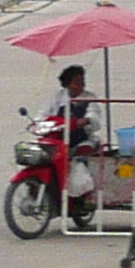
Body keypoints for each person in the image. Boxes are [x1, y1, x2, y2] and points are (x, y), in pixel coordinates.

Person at [53, 63, 104, 229]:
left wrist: (87, 120)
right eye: (76, 81)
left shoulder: (89, 98)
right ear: (67, 84)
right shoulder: (58, 98)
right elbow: (43, 114)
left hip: (83, 140)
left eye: (82, 81)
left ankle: (84, 195)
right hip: (60, 140)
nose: (80, 85)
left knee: (81, 156)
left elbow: (95, 118)